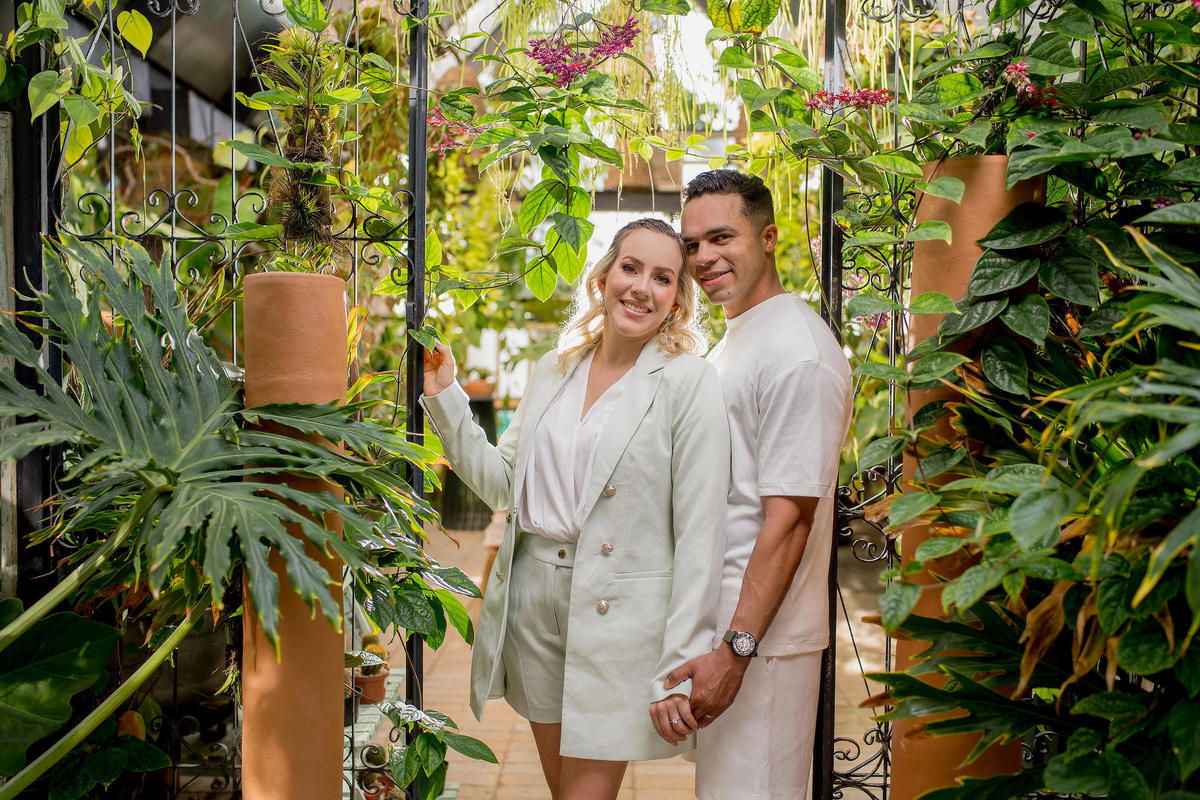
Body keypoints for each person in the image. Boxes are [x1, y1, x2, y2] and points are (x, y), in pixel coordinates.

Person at [421, 218, 730, 800]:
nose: (641, 287)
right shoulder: (555, 369)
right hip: (532, 604)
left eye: (662, 277)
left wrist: (680, 660)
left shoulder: (689, 383)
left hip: (620, 616)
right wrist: (445, 396)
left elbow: (701, 534)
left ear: (677, 300)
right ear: (603, 277)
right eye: (630, 268)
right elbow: (504, 486)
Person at [660, 170, 852, 800]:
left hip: (761, 645)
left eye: (722, 238)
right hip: (726, 633)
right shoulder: (738, 340)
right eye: (692, 245)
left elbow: (789, 519)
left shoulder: (797, 352)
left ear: (768, 237)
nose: (703, 258)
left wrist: (734, 652)